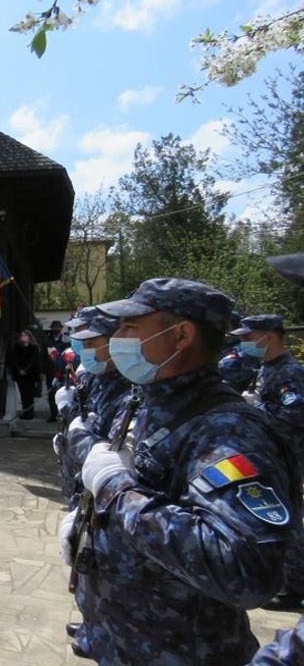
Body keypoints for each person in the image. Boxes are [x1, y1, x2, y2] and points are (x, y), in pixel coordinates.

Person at [58, 278, 298, 665]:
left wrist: (115, 492)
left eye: (130, 327)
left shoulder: (227, 431)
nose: (117, 337)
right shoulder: (148, 401)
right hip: (123, 637)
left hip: (180, 648)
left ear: (181, 335)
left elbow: (244, 570)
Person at [53, 314, 131, 657]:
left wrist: (81, 438)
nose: (82, 349)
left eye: (89, 343)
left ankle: (99, 629)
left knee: (100, 565)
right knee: (86, 561)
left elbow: (107, 444)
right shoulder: (96, 379)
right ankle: (93, 626)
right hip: (86, 488)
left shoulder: (129, 388)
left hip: (110, 496)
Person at [232, 313, 304, 610]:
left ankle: (294, 586)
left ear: (269, 337)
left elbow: (295, 415)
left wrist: (256, 409)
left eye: (249, 338)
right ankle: (282, 578)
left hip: (287, 455)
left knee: (287, 518)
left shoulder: (290, 372)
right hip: (268, 454)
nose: (245, 344)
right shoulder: (267, 369)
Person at [10, 330, 41, 419]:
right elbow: (15, 360)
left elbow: (33, 360)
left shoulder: (34, 347)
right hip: (20, 375)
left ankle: (30, 413)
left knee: (29, 395)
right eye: (22, 335)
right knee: (23, 394)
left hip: (30, 374)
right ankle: (25, 412)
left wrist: (26, 369)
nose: (23, 337)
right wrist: (19, 369)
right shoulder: (17, 347)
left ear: (29, 337)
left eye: (25, 335)